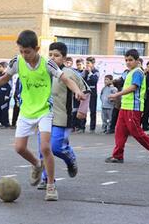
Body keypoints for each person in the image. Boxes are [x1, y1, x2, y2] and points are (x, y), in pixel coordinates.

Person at [0, 30, 85, 201]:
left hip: (44, 111)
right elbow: (5, 78)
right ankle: (36, 164)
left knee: (45, 148)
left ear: (37, 48)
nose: (24, 55)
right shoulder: (17, 62)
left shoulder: (47, 64)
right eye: (21, 51)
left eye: (27, 51)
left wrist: (77, 91)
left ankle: (50, 186)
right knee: (19, 148)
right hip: (26, 111)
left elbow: (66, 79)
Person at [37, 42, 88, 190]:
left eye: (57, 55)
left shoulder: (70, 73)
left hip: (62, 117)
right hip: (44, 116)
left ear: (64, 58)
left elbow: (86, 90)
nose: (53, 58)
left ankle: (70, 157)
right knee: (43, 148)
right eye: (50, 55)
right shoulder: (43, 72)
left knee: (56, 148)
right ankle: (46, 178)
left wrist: (82, 109)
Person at [106, 49, 149, 165]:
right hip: (125, 107)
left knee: (136, 132)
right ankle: (117, 155)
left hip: (133, 108)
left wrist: (117, 94)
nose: (128, 62)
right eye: (126, 60)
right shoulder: (129, 72)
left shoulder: (137, 72)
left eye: (130, 60)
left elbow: (133, 87)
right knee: (119, 131)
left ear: (137, 61)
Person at [83, 57, 99, 133]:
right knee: (83, 110)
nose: (87, 65)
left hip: (93, 94)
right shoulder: (85, 72)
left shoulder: (96, 71)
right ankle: (82, 127)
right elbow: (82, 80)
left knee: (93, 111)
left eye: (88, 63)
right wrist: (85, 72)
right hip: (85, 93)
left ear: (92, 64)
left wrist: (90, 73)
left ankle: (92, 128)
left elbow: (94, 81)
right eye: (86, 63)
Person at [0, 62, 11, 128]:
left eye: (0, 67)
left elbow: (10, 86)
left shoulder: (8, 75)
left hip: (4, 96)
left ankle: (5, 123)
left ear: (5, 68)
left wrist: (7, 95)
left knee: (4, 110)